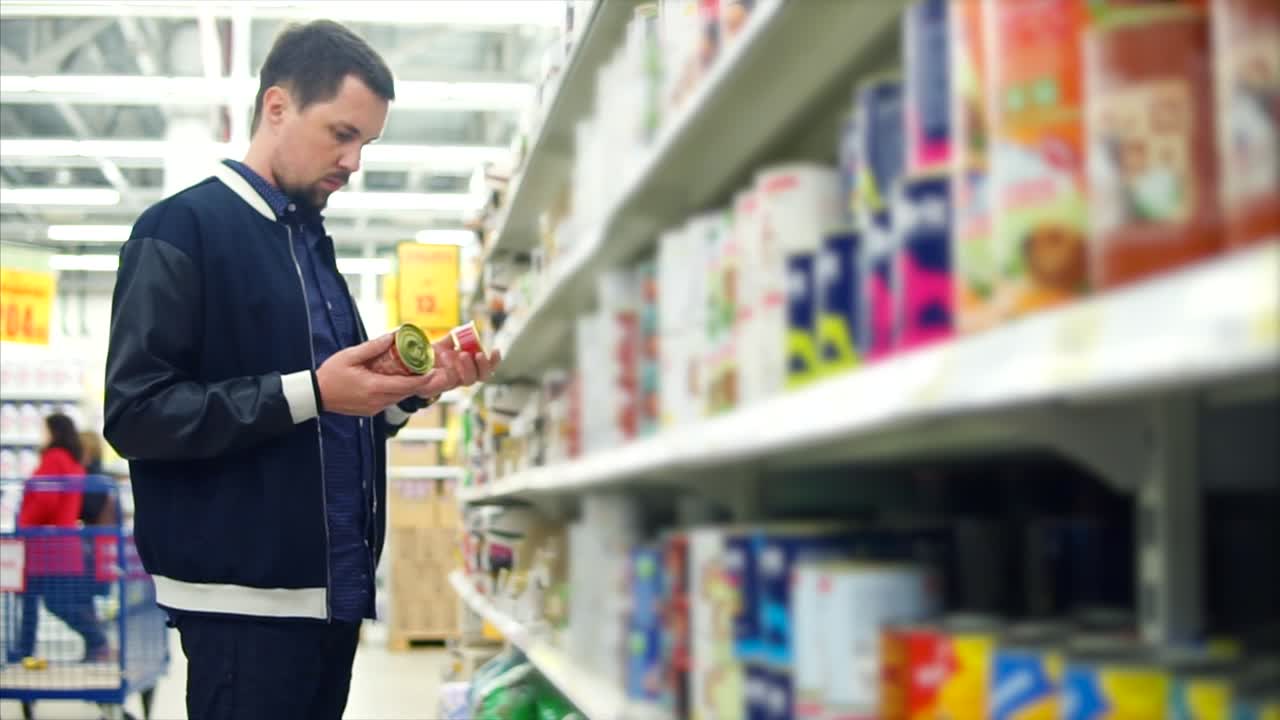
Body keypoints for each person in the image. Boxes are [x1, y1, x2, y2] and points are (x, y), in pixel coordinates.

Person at [103, 19, 498, 720]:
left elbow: (326, 423)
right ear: (277, 106)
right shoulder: (179, 230)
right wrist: (313, 389)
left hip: (331, 596)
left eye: (366, 143)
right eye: (341, 134)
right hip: (243, 607)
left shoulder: (312, 247)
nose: (353, 161)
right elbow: (137, 414)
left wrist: (408, 394)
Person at [11, 413, 109, 663]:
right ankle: (24, 651)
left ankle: (96, 640)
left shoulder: (54, 459)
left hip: (46, 544)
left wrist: (24, 522)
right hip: (61, 544)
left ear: (54, 432)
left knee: (50, 601)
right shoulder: (72, 461)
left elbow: (46, 499)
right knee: (40, 600)